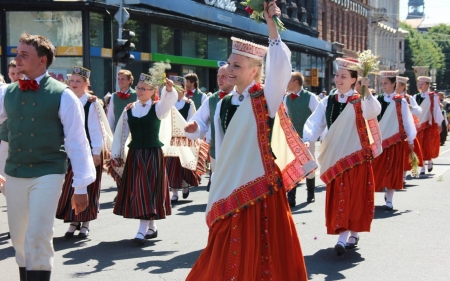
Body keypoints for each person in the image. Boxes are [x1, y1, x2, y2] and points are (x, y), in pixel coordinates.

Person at [186, 2, 316, 280]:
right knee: (223, 243)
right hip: (228, 181)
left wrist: (272, 28)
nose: (229, 69)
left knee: (262, 249)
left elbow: (280, 69)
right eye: (229, 63)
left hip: (260, 186)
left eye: (236, 65)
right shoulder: (221, 103)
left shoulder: (264, 99)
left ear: (255, 71)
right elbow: (215, 142)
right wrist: (194, 129)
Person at [0, 33, 95, 281]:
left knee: (39, 231)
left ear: (42, 60)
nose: (17, 59)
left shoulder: (63, 95)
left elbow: (77, 141)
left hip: (49, 172)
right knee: (18, 236)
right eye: (17, 53)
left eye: (24, 54)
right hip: (15, 173)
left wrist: (81, 185)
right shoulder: (6, 93)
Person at [303, 57, 382, 256]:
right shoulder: (328, 100)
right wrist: (306, 140)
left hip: (356, 157)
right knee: (341, 196)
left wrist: (367, 91)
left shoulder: (360, 99)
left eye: (343, 76)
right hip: (334, 156)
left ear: (354, 80)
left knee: (354, 197)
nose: (338, 79)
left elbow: (373, 112)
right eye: (337, 75)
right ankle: (345, 234)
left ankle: (348, 235)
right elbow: (315, 123)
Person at [111, 73, 177, 245]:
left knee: (148, 189)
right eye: (138, 88)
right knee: (140, 189)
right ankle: (151, 226)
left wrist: (169, 90)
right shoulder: (130, 108)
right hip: (135, 153)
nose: (139, 91)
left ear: (152, 91)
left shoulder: (157, 108)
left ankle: (142, 229)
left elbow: (168, 102)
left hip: (152, 154)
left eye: (143, 89)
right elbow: (121, 132)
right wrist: (116, 154)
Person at [56, 67, 109, 239]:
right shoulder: (65, 99)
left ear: (86, 84)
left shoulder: (92, 103)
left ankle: (85, 223)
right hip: (71, 149)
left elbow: (95, 130)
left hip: (88, 151)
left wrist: (95, 153)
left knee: (89, 186)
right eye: (72, 80)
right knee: (71, 185)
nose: (74, 84)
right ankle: (73, 220)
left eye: (78, 81)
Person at [184, 64, 234, 191]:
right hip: (216, 151)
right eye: (218, 76)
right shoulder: (212, 99)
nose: (219, 79)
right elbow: (200, 120)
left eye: (223, 76)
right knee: (219, 189)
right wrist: (194, 127)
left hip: (239, 151)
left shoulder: (244, 96)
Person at [371, 71, 416, 210]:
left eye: (385, 83)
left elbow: (407, 121)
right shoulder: (377, 100)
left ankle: (389, 198)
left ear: (393, 84)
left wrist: (411, 139)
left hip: (395, 141)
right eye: (382, 83)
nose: (383, 86)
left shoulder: (400, 101)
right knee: (375, 169)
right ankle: (371, 197)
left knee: (392, 170)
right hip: (378, 141)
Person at [284, 71, 320, 206]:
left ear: (296, 82)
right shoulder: (286, 98)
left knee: (309, 164)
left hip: (307, 136)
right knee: (292, 165)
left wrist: (314, 135)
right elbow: (285, 118)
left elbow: (318, 116)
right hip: (292, 137)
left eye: (288, 81)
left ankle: (310, 192)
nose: (286, 84)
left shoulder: (310, 97)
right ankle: (291, 196)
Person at [166, 76, 200, 202]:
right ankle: (174, 192)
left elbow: (193, 118)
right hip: (170, 139)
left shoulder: (188, 103)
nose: (175, 88)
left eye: (177, 85)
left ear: (183, 88)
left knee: (184, 163)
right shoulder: (168, 103)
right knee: (171, 165)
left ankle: (185, 183)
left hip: (184, 139)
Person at [395, 76, 424, 182]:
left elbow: (418, 111)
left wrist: (410, 108)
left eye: (397, 85)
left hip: (406, 127)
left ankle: (403, 177)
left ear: (403, 87)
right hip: (394, 128)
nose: (395, 87)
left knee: (406, 152)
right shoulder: (391, 97)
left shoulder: (408, 98)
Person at [414, 74, 443, 174]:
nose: (420, 86)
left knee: (428, 145)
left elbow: (436, 110)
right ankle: (422, 166)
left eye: (422, 84)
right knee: (419, 146)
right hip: (417, 125)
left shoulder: (432, 96)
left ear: (427, 85)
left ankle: (429, 161)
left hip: (428, 125)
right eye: (419, 84)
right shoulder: (415, 97)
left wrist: (439, 123)